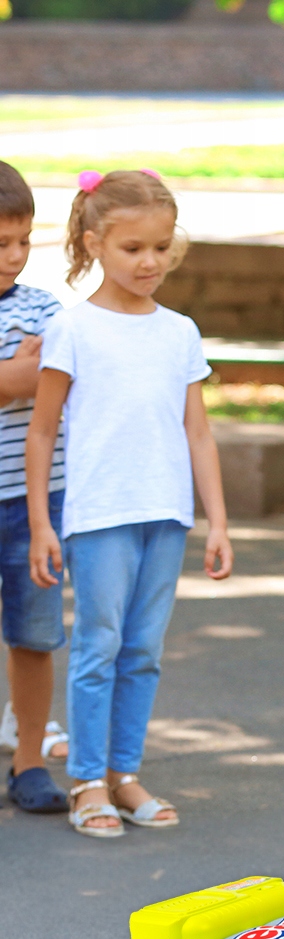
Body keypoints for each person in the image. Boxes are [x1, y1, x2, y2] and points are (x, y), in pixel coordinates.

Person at [25, 169, 234, 838]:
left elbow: (197, 431)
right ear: (95, 244)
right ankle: (86, 780)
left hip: (165, 514)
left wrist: (217, 520)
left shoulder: (179, 332)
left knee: (143, 650)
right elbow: (43, 429)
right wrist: (39, 524)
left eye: (161, 247)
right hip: (98, 516)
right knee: (98, 647)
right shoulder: (74, 329)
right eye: (132, 248)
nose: (150, 262)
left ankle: (125, 772)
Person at [0, 161, 70, 815]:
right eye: (1, 244)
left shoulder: (46, 308)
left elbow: (54, 379)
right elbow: (23, 383)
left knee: (34, 633)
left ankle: (28, 762)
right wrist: (16, 372)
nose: (16, 256)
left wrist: (22, 374)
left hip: (33, 504)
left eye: (24, 241)